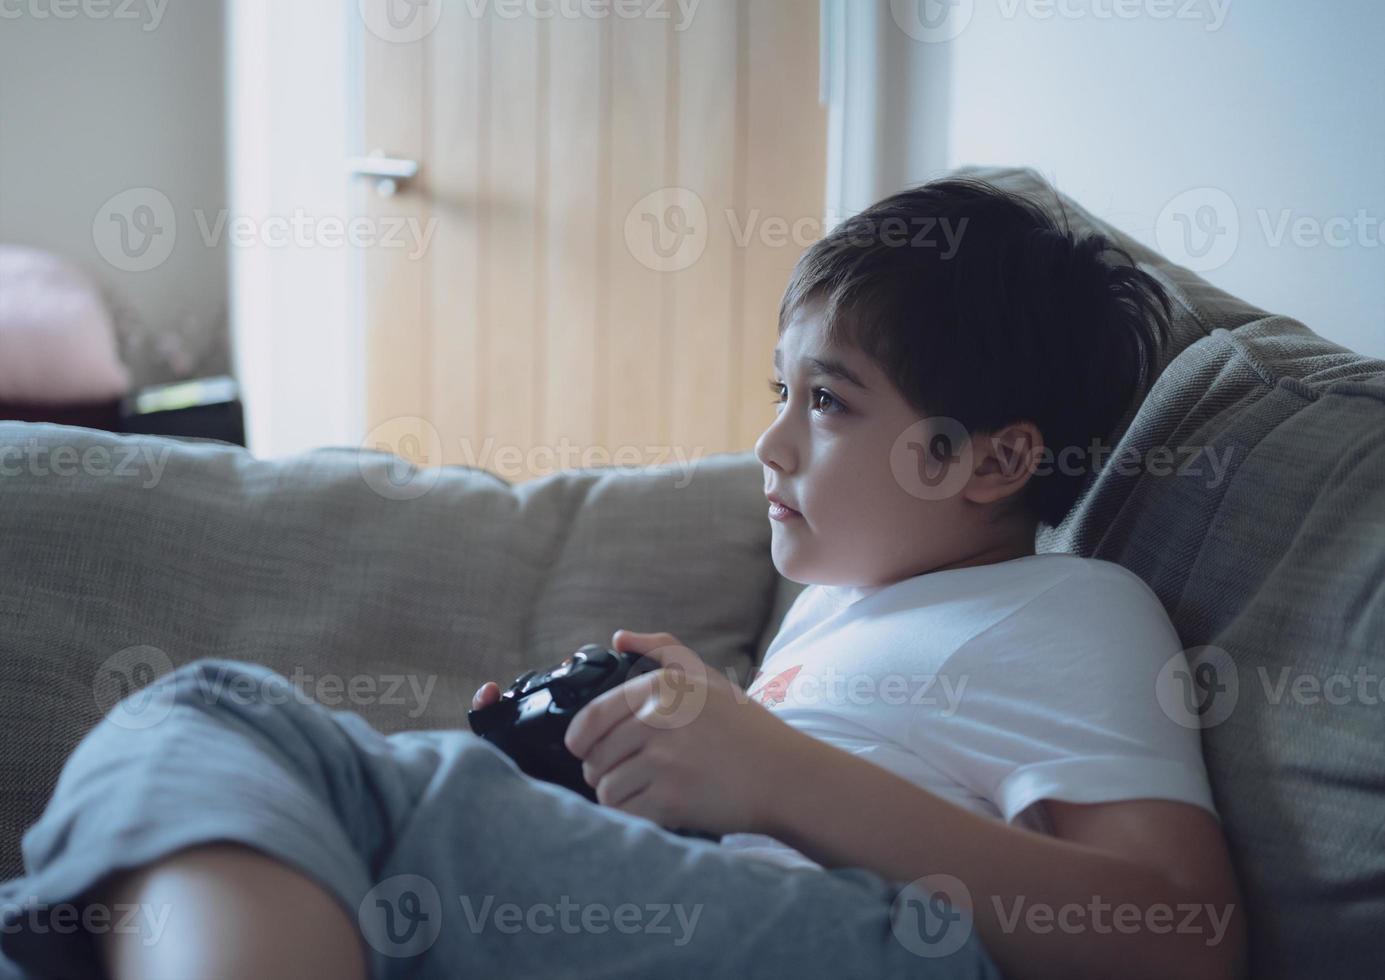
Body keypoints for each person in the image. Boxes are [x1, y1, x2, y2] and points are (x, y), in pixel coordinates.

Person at [0, 178, 1245, 980]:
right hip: (701, 912)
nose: (769, 443)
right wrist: (635, 763)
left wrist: (771, 764)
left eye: (826, 401)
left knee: (222, 719)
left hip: (875, 950)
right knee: (84, 905)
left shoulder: (1074, 604)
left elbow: (1183, 938)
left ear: (992, 458)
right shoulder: (844, 607)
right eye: (781, 393)